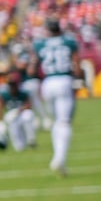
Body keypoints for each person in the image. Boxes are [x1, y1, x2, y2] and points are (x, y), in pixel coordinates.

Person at [34, 18, 81, 176]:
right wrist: (79, 80)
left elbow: (32, 68)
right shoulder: (68, 41)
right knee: (64, 122)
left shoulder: (40, 44)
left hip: (48, 82)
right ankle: (59, 157)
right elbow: (77, 64)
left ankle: (57, 156)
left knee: (56, 122)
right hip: (64, 80)